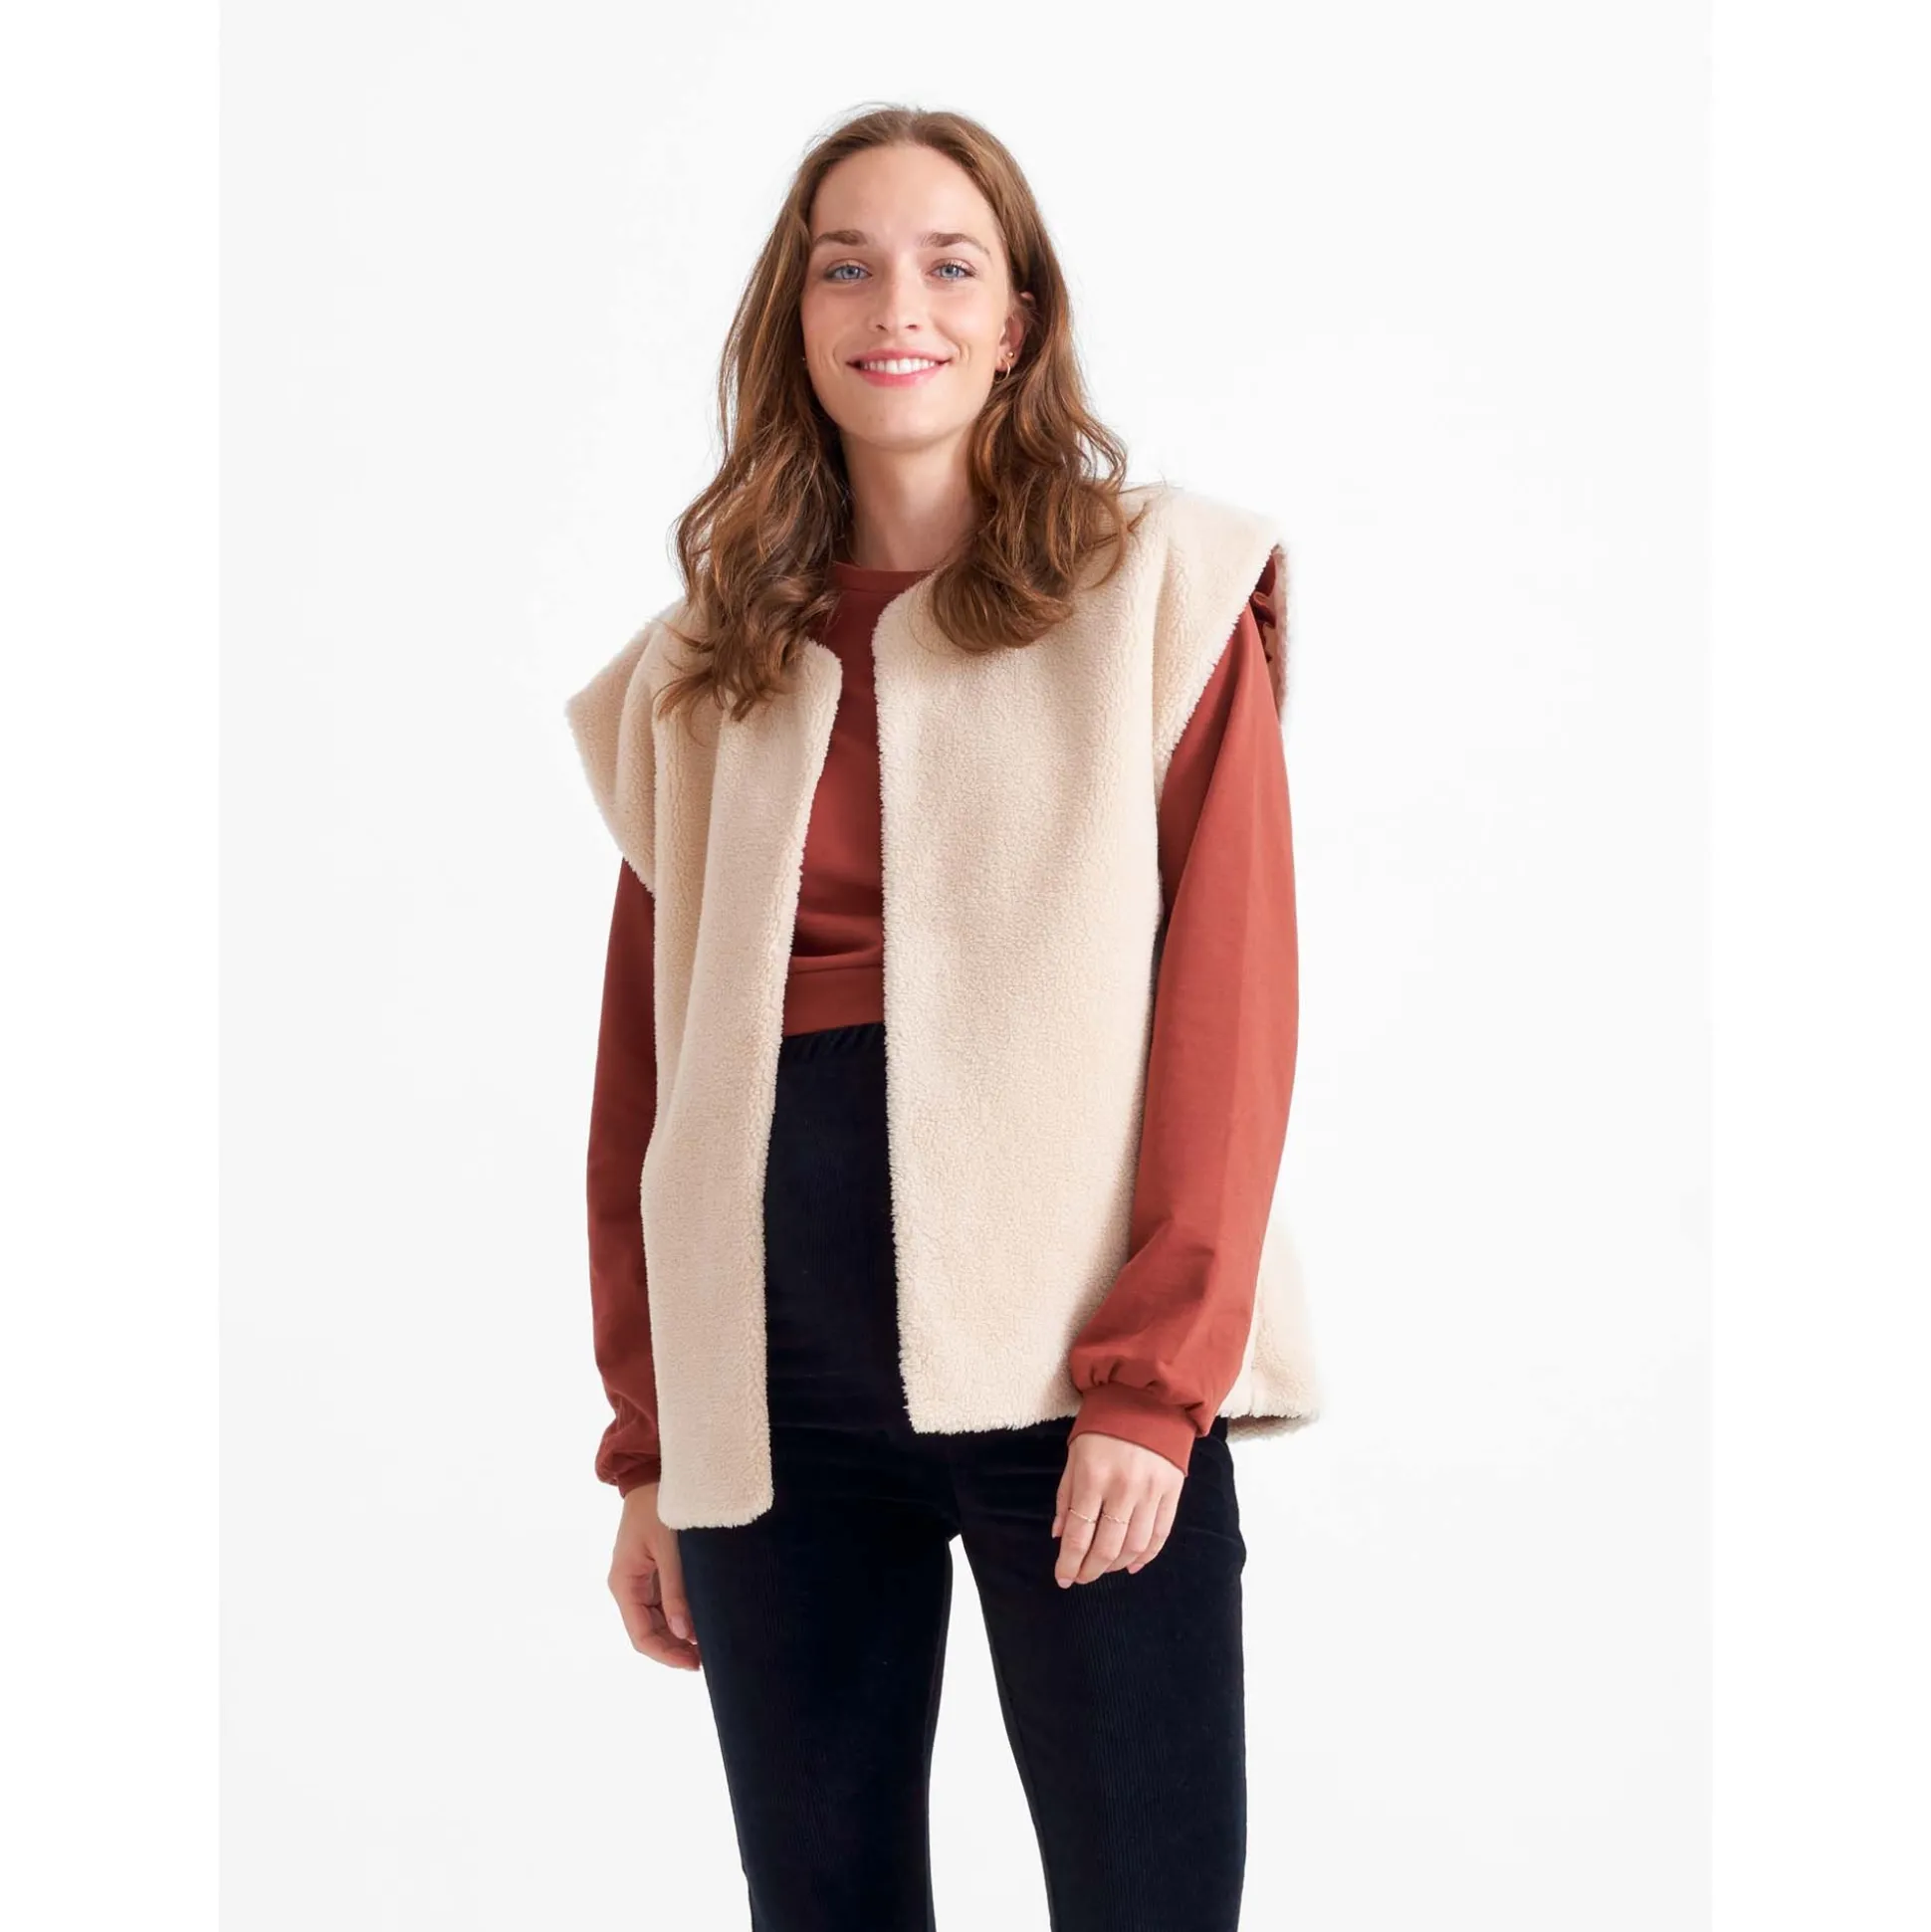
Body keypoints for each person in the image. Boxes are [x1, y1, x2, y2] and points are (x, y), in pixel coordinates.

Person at [564, 105, 1322, 1932]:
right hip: (770, 1387)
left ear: (1016, 320)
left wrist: (1153, 1384)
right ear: (796, 315)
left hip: (1073, 1366)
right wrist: (656, 1439)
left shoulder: (1156, 592)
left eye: (947, 264)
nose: (894, 304)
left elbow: (1228, 1009)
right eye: (846, 265)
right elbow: (647, 1071)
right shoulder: (704, 664)